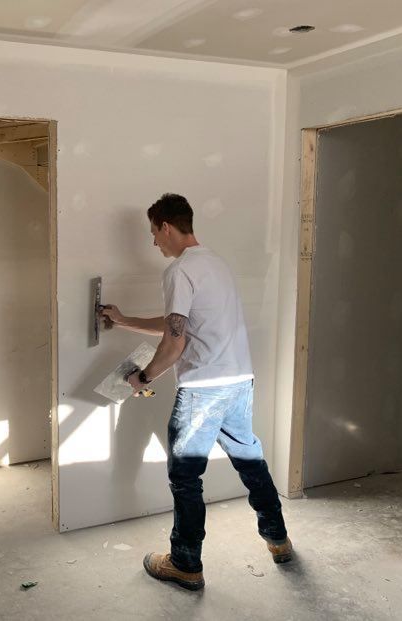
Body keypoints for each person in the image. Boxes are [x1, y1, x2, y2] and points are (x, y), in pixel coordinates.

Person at [101, 193, 291, 591]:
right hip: (238, 381)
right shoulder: (215, 264)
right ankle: (277, 539)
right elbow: (180, 324)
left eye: (154, 233)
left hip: (203, 389)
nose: (154, 242)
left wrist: (144, 378)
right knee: (250, 461)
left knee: (185, 477)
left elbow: (174, 342)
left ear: (166, 227)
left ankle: (185, 562)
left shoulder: (179, 271)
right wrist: (123, 321)